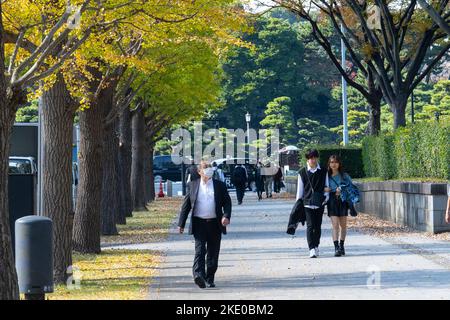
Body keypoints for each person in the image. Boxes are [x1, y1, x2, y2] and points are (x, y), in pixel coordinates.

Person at [178, 160, 232, 289]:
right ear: (199, 172)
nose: (208, 170)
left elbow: (227, 202)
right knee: (200, 250)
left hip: (215, 224)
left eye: (209, 168)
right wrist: (181, 224)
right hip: (199, 223)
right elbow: (186, 206)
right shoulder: (193, 185)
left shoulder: (219, 185)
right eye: (205, 168)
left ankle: (209, 277)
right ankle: (198, 275)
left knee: (213, 253)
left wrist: (226, 216)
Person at [296, 149, 329, 258]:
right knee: (310, 226)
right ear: (307, 159)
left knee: (318, 226)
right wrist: (298, 204)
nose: (313, 160)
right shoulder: (302, 172)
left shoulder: (323, 171)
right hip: (307, 203)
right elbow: (299, 191)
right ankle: (311, 249)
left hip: (320, 202)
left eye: (315, 157)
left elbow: (326, 185)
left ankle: (316, 246)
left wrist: (326, 199)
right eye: (311, 158)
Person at [325, 154, 353, 257]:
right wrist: (326, 189)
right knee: (335, 225)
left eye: (336, 162)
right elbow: (321, 187)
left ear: (339, 163)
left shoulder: (344, 175)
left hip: (343, 201)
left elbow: (351, 187)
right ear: (329, 164)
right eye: (332, 162)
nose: (334, 164)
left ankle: (342, 245)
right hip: (332, 201)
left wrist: (342, 189)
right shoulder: (326, 176)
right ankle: (336, 248)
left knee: (343, 226)